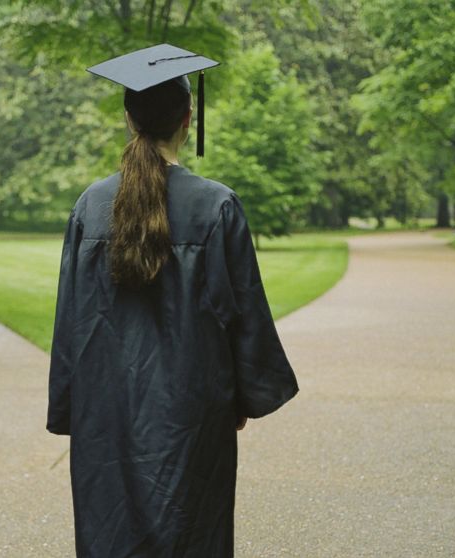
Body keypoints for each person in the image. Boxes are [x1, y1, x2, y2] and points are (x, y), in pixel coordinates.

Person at [47, 44, 299, 558]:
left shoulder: (90, 207)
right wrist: (246, 395)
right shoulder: (217, 205)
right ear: (189, 119)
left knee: (112, 535)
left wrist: (70, 407)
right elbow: (243, 313)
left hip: (108, 416)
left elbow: (71, 321)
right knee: (194, 534)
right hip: (192, 415)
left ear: (128, 119)